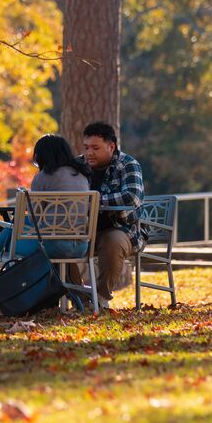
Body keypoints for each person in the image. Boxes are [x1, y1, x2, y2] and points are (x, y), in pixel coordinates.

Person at [0, 134, 93, 286]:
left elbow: (34, 218)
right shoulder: (81, 175)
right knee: (15, 227)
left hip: (52, 247)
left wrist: (25, 203)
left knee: (13, 230)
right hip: (81, 247)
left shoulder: (44, 177)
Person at [80, 121, 146, 303]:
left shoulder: (128, 164)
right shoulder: (78, 166)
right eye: (86, 147)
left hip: (122, 229)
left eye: (95, 148)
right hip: (84, 230)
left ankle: (100, 298)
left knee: (112, 241)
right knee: (59, 244)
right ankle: (78, 297)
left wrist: (94, 200)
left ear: (111, 146)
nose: (89, 153)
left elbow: (132, 197)